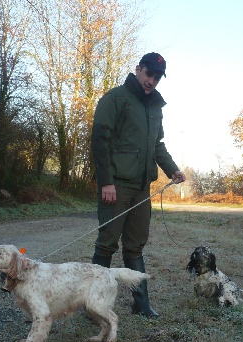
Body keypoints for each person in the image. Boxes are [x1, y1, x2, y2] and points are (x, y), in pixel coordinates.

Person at [91, 52, 186, 318]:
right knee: (107, 243)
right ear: (138, 69)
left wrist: (172, 169)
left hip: (142, 188)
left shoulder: (155, 107)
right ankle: (93, 303)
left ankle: (141, 303)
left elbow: (157, 145)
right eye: (148, 74)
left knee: (135, 245)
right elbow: (100, 141)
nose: (152, 81)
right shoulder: (115, 99)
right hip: (116, 186)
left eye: (157, 77)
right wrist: (106, 182)